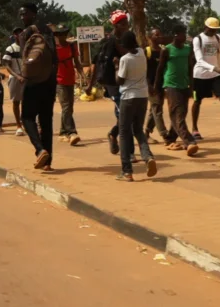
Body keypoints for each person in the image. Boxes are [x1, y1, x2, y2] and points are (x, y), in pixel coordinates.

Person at [19, 2, 57, 170]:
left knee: (27, 117)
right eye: (21, 14)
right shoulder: (48, 31)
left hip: (33, 82)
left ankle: (40, 150)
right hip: (49, 82)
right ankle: (48, 163)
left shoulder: (26, 33)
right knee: (46, 121)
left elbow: (25, 61)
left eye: (25, 14)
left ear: (33, 14)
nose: (22, 18)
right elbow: (55, 57)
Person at [115, 31, 156, 181]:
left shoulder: (125, 59)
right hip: (142, 96)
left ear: (124, 46)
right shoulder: (141, 53)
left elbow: (120, 80)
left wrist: (115, 67)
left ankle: (127, 170)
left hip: (128, 97)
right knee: (138, 129)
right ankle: (147, 156)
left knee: (124, 132)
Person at [87, 10, 129, 154]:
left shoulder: (128, 40)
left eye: (127, 23)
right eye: (123, 24)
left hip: (127, 83)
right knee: (124, 115)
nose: (127, 26)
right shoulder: (107, 42)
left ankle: (113, 134)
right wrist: (90, 85)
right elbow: (96, 64)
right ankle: (127, 151)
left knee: (125, 114)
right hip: (112, 83)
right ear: (116, 26)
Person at [157, 25, 198, 155]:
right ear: (175, 35)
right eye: (182, 34)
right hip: (171, 85)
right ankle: (189, 141)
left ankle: (170, 138)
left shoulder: (187, 49)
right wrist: (156, 86)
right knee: (177, 115)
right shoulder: (167, 50)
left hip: (184, 85)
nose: (184, 36)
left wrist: (192, 86)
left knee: (182, 113)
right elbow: (160, 69)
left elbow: (191, 68)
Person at [54, 25, 85, 146]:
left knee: (69, 108)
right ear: (56, 35)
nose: (62, 36)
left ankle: (62, 133)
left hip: (70, 79)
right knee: (66, 106)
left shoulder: (72, 46)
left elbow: (77, 62)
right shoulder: (54, 48)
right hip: (59, 80)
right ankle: (72, 132)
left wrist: (82, 74)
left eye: (64, 34)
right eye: (59, 34)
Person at [144, 29, 176, 144]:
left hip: (161, 84)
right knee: (157, 109)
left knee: (154, 109)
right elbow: (144, 71)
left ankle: (146, 133)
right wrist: (148, 86)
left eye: (160, 34)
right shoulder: (147, 51)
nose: (160, 36)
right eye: (156, 35)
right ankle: (164, 134)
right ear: (150, 37)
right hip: (151, 86)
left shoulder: (163, 50)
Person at [2, 28, 26, 136]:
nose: (19, 35)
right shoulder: (10, 49)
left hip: (26, 78)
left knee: (27, 102)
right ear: (14, 35)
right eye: (17, 33)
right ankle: (18, 126)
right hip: (15, 78)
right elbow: (6, 65)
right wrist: (17, 76)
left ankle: (27, 123)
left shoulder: (26, 47)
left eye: (21, 33)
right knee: (16, 102)